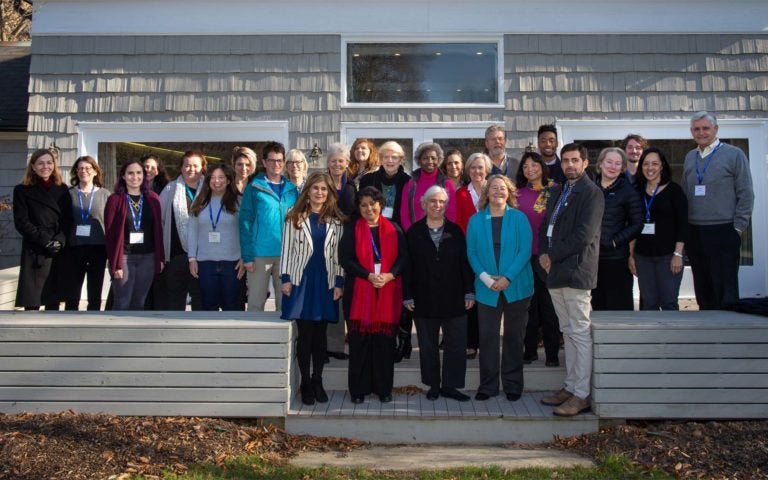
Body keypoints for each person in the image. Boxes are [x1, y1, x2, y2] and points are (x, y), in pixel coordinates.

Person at [538, 143, 604, 417]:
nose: (569, 165)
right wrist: (544, 252)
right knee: (567, 331)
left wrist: (551, 254)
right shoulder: (558, 190)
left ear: (585, 163)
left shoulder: (591, 193)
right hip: (554, 270)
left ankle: (582, 394)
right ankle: (570, 386)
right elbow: (545, 227)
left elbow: (583, 235)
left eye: (575, 160)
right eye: (565, 161)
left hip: (576, 271)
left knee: (579, 333)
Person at [467, 175, 533, 402]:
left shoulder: (520, 218)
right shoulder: (476, 220)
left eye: (502, 188)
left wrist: (507, 278)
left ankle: (513, 385)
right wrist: (487, 279)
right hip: (486, 288)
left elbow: (525, 251)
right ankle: (488, 385)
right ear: (486, 193)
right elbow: (472, 253)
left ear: (510, 192)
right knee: (487, 338)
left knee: (515, 337)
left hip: (517, 286)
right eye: (493, 188)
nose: (498, 192)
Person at [280, 172, 345, 405]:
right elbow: (286, 249)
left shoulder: (336, 221)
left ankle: (318, 380)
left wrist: (339, 282)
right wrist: (285, 278)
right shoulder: (294, 216)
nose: (319, 192)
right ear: (307, 191)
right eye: (315, 188)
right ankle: (305, 383)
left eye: (324, 189)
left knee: (320, 338)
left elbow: (339, 256)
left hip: (325, 282)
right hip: (301, 282)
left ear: (329, 194)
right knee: (305, 336)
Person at [405, 186, 474, 402]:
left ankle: (451, 386)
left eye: (441, 202)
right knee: (428, 344)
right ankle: (433, 385)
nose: (437, 205)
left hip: (454, 297)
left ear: (446, 205)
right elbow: (407, 267)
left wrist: (469, 292)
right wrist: (407, 295)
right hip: (424, 298)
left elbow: (465, 264)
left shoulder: (456, 231)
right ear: (424, 205)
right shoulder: (414, 232)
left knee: (455, 344)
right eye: (432, 202)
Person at [340, 186, 407, 404]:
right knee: (359, 343)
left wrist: (390, 275)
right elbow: (345, 259)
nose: (369, 208)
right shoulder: (351, 229)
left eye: (372, 203)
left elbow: (404, 259)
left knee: (384, 344)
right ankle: (358, 390)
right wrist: (367, 275)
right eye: (363, 205)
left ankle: (383, 389)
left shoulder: (395, 229)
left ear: (380, 204)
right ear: (358, 208)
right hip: (360, 290)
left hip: (388, 290)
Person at [681, 111, 754, 309]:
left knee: (725, 289)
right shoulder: (690, 157)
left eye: (706, 128)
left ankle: (728, 333)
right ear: (691, 132)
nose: (701, 132)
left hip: (724, 229)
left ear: (716, 129)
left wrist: (738, 227)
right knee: (702, 286)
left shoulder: (734, 154)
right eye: (697, 129)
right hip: (695, 231)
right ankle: (707, 329)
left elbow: (746, 193)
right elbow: (685, 194)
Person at [239, 141, 298, 311]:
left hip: (286, 255)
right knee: (256, 303)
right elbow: (245, 222)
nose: (276, 164)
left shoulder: (292, 190)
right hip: (260, 255)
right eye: (272, 160)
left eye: (279, 160)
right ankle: (254, 337)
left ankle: (284, 338)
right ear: (264, 162)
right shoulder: (255, 188)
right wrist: (248, 256)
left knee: (285, 303)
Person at [628, 148, 688, 310]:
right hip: (643, 257)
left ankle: (672, 336)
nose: (650, 168)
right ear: (641, 167)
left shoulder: (674, 191)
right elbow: (632, 225)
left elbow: (683, 224)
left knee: (669, 302)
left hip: (668, 256)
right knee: (649, 303)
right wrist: (631, 255)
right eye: (646, 164)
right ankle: (652, 336)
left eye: (655, 163)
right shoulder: (636, 191)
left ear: (662, 166)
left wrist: (678, 254)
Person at [515, 151, 560, 367]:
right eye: (525, 166)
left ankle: (552, 354)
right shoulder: (516, 194)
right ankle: (529, 351)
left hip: (548, 257)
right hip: (524, 257)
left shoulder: (555, 191)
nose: (530, 169)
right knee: (528, 307)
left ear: (542, 166)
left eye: (534, 164)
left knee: (549, 308)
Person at [13, 148, 72, 310]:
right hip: (35, 250)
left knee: (53, 303)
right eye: (40, 163)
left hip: (56, 251)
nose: (45, 166)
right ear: (33, 166)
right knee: (32, 303)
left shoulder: (62, 189)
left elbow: (68, 220)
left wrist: (59, 240)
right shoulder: (21, 190)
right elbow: (21, 222)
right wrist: (45, 240)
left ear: (54, 165)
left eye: (49, 162)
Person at [104, 160, 164, 310]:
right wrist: (114, 263)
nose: (135, 177)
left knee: (139, 302)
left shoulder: (153, 199)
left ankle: (134, 333)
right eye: (130, 173)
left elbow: (158, 231)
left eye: (139, 173)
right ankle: (117, 332)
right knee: (122, 301)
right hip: (124, 257)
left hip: (147, 258)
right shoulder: (115, 200)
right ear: (123, 176)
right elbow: (110, 235)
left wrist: (160, 258)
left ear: (144, 176)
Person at [591, 147, 644, 311]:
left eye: (617, 163)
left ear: (623, 168)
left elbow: (637, 224)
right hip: (592, 259)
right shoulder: (590, 189)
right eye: (609, 162)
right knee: (598, 306)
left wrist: (614, 241)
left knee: (618, 307)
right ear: (600, 164)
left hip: (617, 259)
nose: (612, 166)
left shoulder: (628, 191)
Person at [187, 164, 245, 311]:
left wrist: (245, 257)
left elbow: (247, 231)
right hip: (205, 263)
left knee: (233, 306)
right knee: (208, 305)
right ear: (207, 181)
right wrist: (192, 258)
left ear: (228, 180)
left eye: (221, 177)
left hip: (233, 263)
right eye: (212, 177)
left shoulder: (239, 201)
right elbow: (192, 230)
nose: (216, 181)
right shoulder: (200, 201)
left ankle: (234, 335)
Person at [157, 150, 206, 310]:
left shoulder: (210, 189)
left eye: (195, 166)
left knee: (200, 299)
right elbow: (161, 220)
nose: (191, 169)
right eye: (187, 165)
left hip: (203, 256)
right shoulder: (170, 190)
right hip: (176, 255)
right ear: (181, 167)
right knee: (174, 301)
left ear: (203, 168)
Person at [455, 152, 492, 360]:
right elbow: (460, 222)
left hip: (492, 251)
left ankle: (487, 341)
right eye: (473, 168)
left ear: (486, 169)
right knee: (470, 296)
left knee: (488, 298)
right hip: (470, 250)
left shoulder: (495, 190)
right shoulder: (461, 193)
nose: (477, 171)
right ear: (468, 171)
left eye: (480, 167)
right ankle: (470, 342)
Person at [64, 156, 110, 311]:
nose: (84, 171)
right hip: (74, 248)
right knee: (72, 290)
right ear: (76, 172)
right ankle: (70, 323)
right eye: (80, 168)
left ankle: (94, 322)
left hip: (98, 248)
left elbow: (110, 223)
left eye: (88, 168)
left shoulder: (105, 194)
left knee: (95, 290)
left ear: (95, 172)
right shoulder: (68, 194)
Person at [359, 140, 411, 226]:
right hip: (373, 227)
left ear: (400, 160)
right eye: (386, 157)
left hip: (399, 230)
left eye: (394, 157)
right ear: (381, 160)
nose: (390, 160)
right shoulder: (368, 180)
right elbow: (361, 205)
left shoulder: (408, 182)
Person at [327, 143, 357, 216]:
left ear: (347, 163)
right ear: (328, 163)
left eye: (341, 161)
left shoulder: (351, 186)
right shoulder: (322, 184)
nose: (337, 164)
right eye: (333, 161)